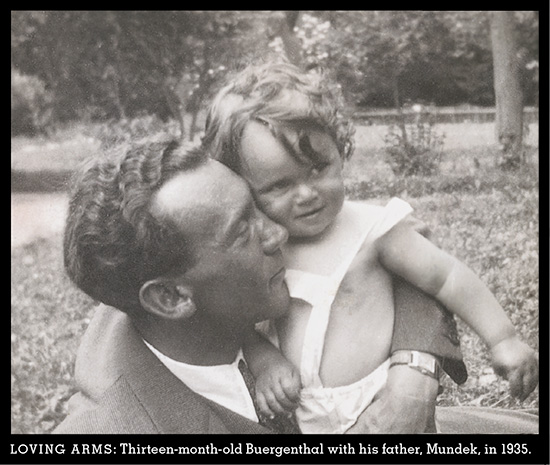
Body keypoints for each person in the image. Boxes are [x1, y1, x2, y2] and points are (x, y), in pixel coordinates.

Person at [202, 61, 539, 434]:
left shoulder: (373, 231)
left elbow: (446, 277)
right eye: (279, 186)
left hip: (382, 405)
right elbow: (238, 315)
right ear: (244, 187)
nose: (307, 194)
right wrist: (264, 359)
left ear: (339, 148)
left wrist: (502, 338)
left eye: (318, 168)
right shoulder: (261, 248)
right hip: (303, 417)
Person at [53, 137, 465, 434]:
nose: (279, 234)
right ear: (171, 297)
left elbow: (401, 258)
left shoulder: (172, 303)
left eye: (256, 205)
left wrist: (415, 373)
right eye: (241, 232)